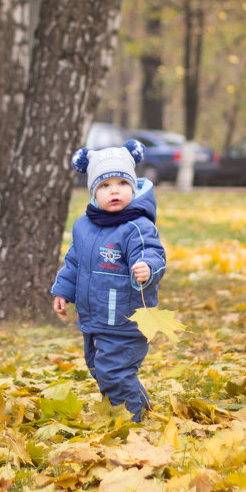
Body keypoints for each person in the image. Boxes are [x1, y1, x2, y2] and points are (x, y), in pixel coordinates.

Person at [51, 140, 167, 422]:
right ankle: (131, 408)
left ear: (132, 186)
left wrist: (147, 268)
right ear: (93, 192)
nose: (114, 190)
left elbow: (153, 253)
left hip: (125, 319)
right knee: (98, 366)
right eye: (104, 185)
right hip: (94, 317)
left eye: (121, 183)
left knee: (114, 370)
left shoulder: (137, 226)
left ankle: (132, 422)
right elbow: (75, 261)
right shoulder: (84, 225)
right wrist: (63, 291)